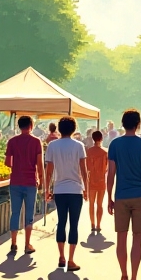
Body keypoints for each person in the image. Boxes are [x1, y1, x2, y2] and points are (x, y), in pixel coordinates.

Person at [106, 109, 141, 280]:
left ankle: (123, 275)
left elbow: (110, 174)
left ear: (122, 123)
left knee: (121, 238)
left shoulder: (114, 145)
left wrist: (109, 197)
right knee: (137, 240)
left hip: (121, 196)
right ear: (138, 124)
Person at [45, 116, 88, 271]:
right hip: (76, 190)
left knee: (61, 222)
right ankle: (71, 260)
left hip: (60, 190)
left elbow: (48, 171)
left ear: (59, 129)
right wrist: (86, 190)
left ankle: (61, 257)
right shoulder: (79, 146)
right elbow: (83, 170)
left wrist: (47, 189)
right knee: (74, 225)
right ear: (74, 128)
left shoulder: (52, 146)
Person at [5, 116, 44, 255]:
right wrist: (42, 181)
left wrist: (17, 165)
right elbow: (39, 164)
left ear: (19, 126)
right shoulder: (36, 142)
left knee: (15, 213)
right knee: (29, 213)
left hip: (15, 181)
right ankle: (27, 244)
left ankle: (13, 243)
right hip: (30, 182)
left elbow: (7, 162)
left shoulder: (12, 141)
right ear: (31, 126)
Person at [86, 130, 108, 233]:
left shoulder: (89, 152)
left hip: (91, 181)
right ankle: (99, 224)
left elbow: (87, 167)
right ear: (101, 138)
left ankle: (92, 224)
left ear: (93, 139)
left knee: (91, 204)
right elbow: (107, 167)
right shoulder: (105, 152)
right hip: (102, 180)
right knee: (100, 204)